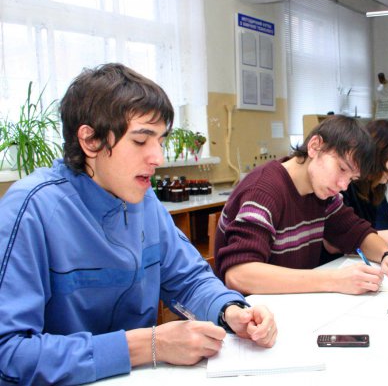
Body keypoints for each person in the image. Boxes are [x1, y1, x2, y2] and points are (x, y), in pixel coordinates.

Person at [0, 63, 276, 385]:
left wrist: (229, 311)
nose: (158, 158)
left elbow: (188, 279)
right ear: (90, 140)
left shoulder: (145, 202)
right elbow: (9, 353)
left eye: (160, 140)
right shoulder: (29, 211)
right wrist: (147, 346)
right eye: (141, 140)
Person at [214, 115, 388, 296]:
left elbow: (357, 232)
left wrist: (387, 255)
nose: (343, 185)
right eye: (341, 169)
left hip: (289, 303)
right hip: (252, 312)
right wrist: (335, 280)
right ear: (314, 146)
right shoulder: (264, 191)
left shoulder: (322, 192)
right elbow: (239, 274)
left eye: (351, 178)